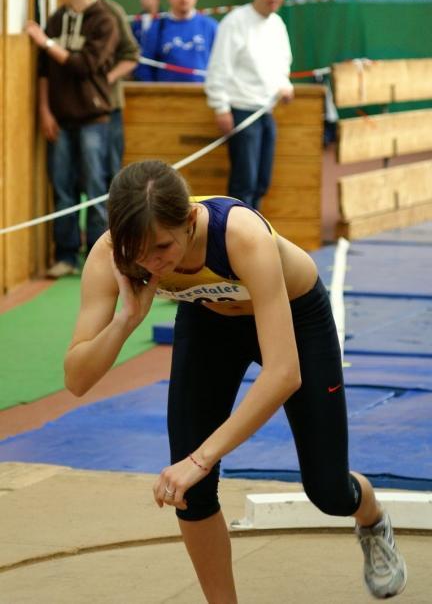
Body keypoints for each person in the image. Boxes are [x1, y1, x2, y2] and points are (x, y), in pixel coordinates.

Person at [64, 159, 407, 603]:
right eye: (137, 253)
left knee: (327, 490)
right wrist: (127, 320)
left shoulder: (241, 235)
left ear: (189, 221)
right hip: (208, 323)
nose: (152, 264)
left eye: (163, 248)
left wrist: (201, 457)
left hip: (295, 317)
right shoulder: (113, 254)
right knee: (192, 494)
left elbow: (284, 374)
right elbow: (76, 378)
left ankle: (372, 516)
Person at [26, 0, 119, 278]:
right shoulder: (56, 18)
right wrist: (44, 110)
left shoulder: (104, 19)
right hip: (60, 119)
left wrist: (45, 42)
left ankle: (98, 258)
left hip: (94, 119)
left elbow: (84, 66)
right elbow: (44, 71)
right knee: (62, 189)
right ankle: (66, 255)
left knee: (94, 190)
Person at [205, 0, 294, 209]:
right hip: (242, 112)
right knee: (243, 184)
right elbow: (218, 67)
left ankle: (253, 238)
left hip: (266, 112)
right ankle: (235, 240)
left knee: (261, 183)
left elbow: (282, 65)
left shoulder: (277, 24)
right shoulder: (235, 22)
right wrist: (221, 108)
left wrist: (284, 86)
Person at [139, 0, 218, 82]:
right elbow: (145, 65)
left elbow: (222, 63)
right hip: (166, 95)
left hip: (202, 93)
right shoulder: (157, 27)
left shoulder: (210, 26)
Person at [131, 0, 161, 81]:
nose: (143, 0)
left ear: (157, 0)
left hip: (159, 73)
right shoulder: (137, 21)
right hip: (139, 73)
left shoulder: (165, 20)